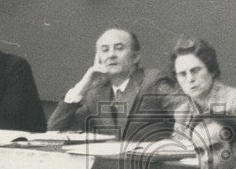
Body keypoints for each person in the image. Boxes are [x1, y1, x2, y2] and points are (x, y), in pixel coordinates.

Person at [47, 28, 176, 141]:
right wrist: (82, 87)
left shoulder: (153, 81)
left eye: (119, 48)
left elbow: (185, 112)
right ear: (99, 59)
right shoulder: (95, 93)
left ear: (135, 57)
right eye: (104, 50)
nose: (111, 55)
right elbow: (54, 129)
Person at [170, 37, 236, 152]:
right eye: (182, 74)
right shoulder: (182, 112)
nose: (190, 79)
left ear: (211, 70)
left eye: (195, 70)